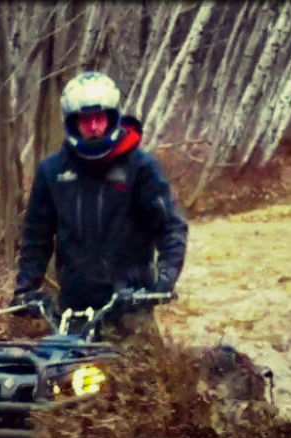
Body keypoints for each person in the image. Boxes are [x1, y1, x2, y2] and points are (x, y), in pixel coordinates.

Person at [10, 71, 188, 342]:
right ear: (72, 122)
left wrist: (165, 278)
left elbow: (171, 226)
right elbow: (37, 236)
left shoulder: (141, 167)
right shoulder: (52, 171)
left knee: (141, 381)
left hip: (131, 306)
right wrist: (26, 288)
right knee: (66, 379)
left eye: (99, 118)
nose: (94, 127)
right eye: (86, 120)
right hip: (72, 307)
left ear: (112, 118)